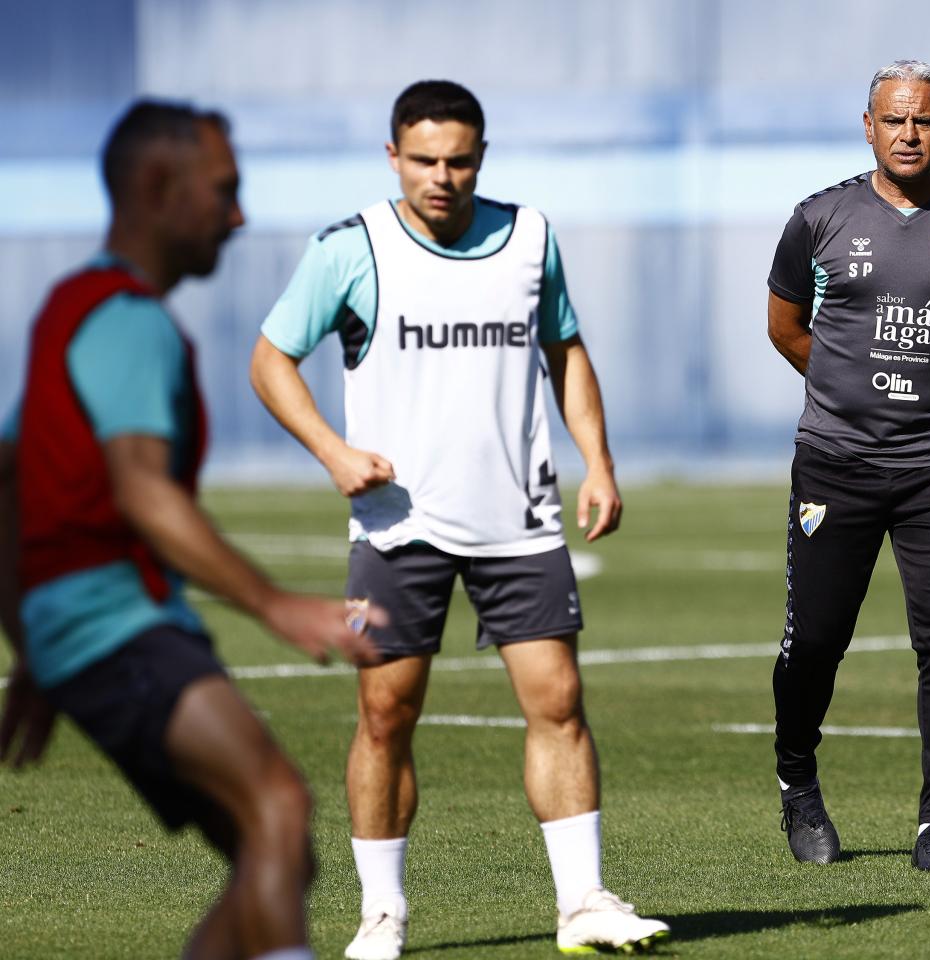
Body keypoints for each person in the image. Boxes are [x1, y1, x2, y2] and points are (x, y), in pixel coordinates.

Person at [249, 80, 667, 957]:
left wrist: (599, 462)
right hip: (397, 525)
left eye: (460, 161)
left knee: (559, 702)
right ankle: (382, 913)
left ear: (481, 157)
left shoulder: (529, 237)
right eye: (425, 160)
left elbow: (567, 349)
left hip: (519, 517)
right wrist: (332, 451)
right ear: (393, 155)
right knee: (385, 712)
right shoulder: (350, 248)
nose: (442, 177)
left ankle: (584, 902)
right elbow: (271, 359)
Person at [0, 100, 379, 960]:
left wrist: (34, 645)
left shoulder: (72, 306)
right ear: (157, 185)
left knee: (272, 850)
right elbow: (142, 494)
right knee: (277, 804)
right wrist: (279, 606)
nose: (238, 215)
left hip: (81, 632)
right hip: (116, 624)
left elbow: (10, 477)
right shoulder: (131, 322)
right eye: (224, 189)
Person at [766, 59, 930, 873]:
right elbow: (785, 326)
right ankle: (797, 785)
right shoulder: (819, 218)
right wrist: (850, 391)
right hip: (835, 463)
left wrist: (926, 392)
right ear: (868, 125)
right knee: (814, 644)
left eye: (925, 121)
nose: (909, 133)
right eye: (894, 120)